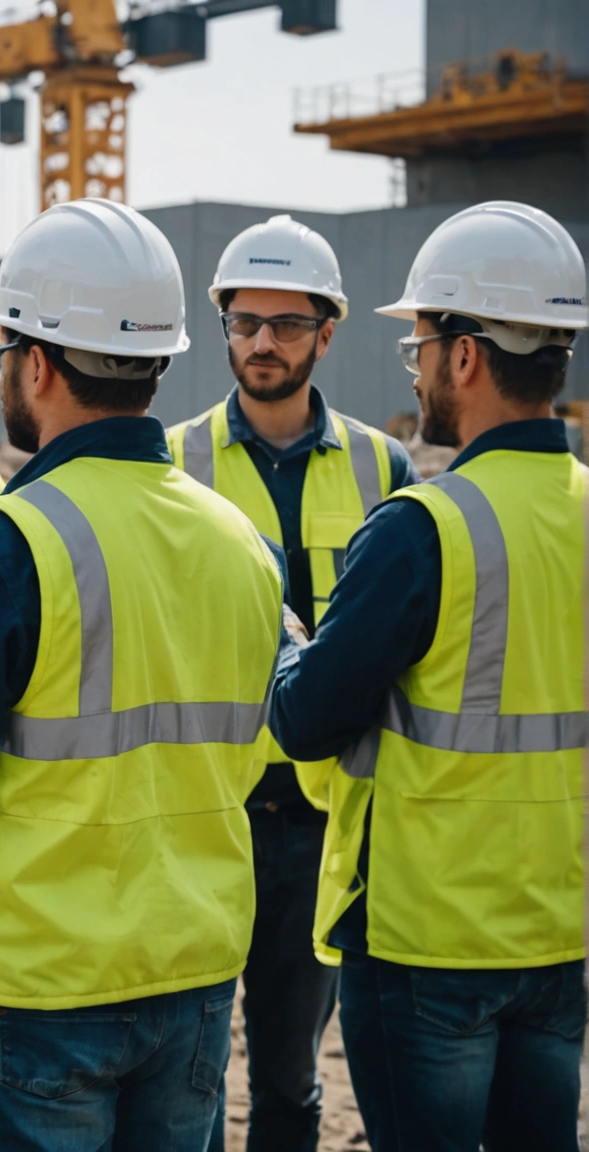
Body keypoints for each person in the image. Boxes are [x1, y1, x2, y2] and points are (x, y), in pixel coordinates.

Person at [0, 198, 289, 1150]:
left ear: (37, 361)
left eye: (5, 348)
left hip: (33, 986)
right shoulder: (243, 544)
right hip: (191, 975)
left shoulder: (9, 542)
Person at [268, 200, 588, 1151]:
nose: (417, 368)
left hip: (425, 940)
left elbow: (305, 722)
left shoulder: (424, 527)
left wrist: (288, 641)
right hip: (557, 929)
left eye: (419, 345)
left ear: (465, 355)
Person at [161, 214, 414, 1152]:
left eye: (287, 323)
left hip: (320, 824)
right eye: (244, 322)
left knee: (292, 1082)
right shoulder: (176, 463)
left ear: (328, 332)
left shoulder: (381, 466)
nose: (262, 342)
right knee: (186, 1074)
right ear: (222, 324)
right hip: (203, 811)